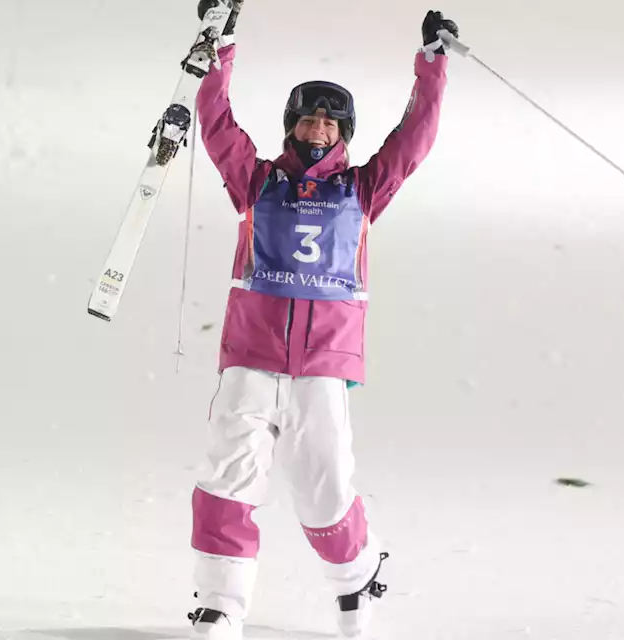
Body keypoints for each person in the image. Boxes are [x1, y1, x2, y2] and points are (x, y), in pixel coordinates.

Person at [185, 2, 458, 638]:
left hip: (322, 363)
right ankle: (219, 601)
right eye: (308, 117)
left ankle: (356, 575)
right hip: (251, 354)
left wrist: (432, 65)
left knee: (324, 485)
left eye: (331, 122)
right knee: (229, 468)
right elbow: (217, 122)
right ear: (290, 125)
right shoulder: (255, 183)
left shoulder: (362, 191)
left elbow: (413, 138)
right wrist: (219, 47)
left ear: (344, 135)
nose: (318, 128)